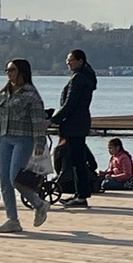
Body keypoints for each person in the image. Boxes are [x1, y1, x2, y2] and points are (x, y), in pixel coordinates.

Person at [0, 59, 50, 233]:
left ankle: (39, 204)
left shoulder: (31, 95)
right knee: (4, 180)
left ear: (21, 72)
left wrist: (39, 143)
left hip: (24, 139)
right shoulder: (2, 95)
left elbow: (38, 121)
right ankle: (12, 219)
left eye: (12, 70)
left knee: (15, 178)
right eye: (7, 70)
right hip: (5, 140)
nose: (8, 73)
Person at [51, 49, 98, 209]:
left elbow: (70, 104)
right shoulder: (86, 76)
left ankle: (82, 196)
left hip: (74, 125)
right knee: (77, 160)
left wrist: (54, 120)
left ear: (80, 61)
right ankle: (80, 194)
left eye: (70, 60)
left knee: (77, 161)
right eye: (67, 61)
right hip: (80, 123)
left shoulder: (78, 78)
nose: (68, 63)